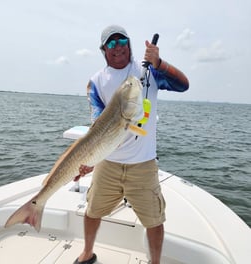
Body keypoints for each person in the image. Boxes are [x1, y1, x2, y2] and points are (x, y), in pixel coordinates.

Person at [74, 25, 189, 264]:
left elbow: (183, 85)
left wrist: (159, 63)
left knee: (154, 220)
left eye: (122, 41)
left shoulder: (147, 72)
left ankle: (154, 262)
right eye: (111, 44)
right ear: (103, 50)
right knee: (92, 210)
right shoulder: (96, 81)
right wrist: (91, 160)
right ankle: (87, 251)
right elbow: (98, 126)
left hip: (143, 163)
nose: (118, 47)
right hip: (109, 162)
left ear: (130, 44)